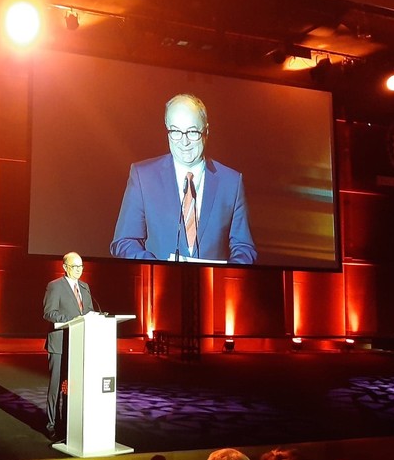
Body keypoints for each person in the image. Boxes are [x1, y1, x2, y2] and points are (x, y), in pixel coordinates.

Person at [110, 93, 257, 264]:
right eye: (176, 132)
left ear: (206, 131)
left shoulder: (231, 183)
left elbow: (244, 248)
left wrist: (222, 275)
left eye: (192, 132)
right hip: (158, 280)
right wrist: (158, 268)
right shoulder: (143, 176)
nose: (184, 141)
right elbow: (124, 241)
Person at [42, 252, 94, 440]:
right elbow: (49, 313)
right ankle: (52, 425)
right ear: (65, 267)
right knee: (56, 386)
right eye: (75, 266)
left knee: (71, 386)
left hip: (78, 344)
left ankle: (68, 423)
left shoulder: (85, 287)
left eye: (81, 266)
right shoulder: (55, 286)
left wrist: (92, 317)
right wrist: (73, 319)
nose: (79, 270)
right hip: (59, 344)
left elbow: (89, 311)